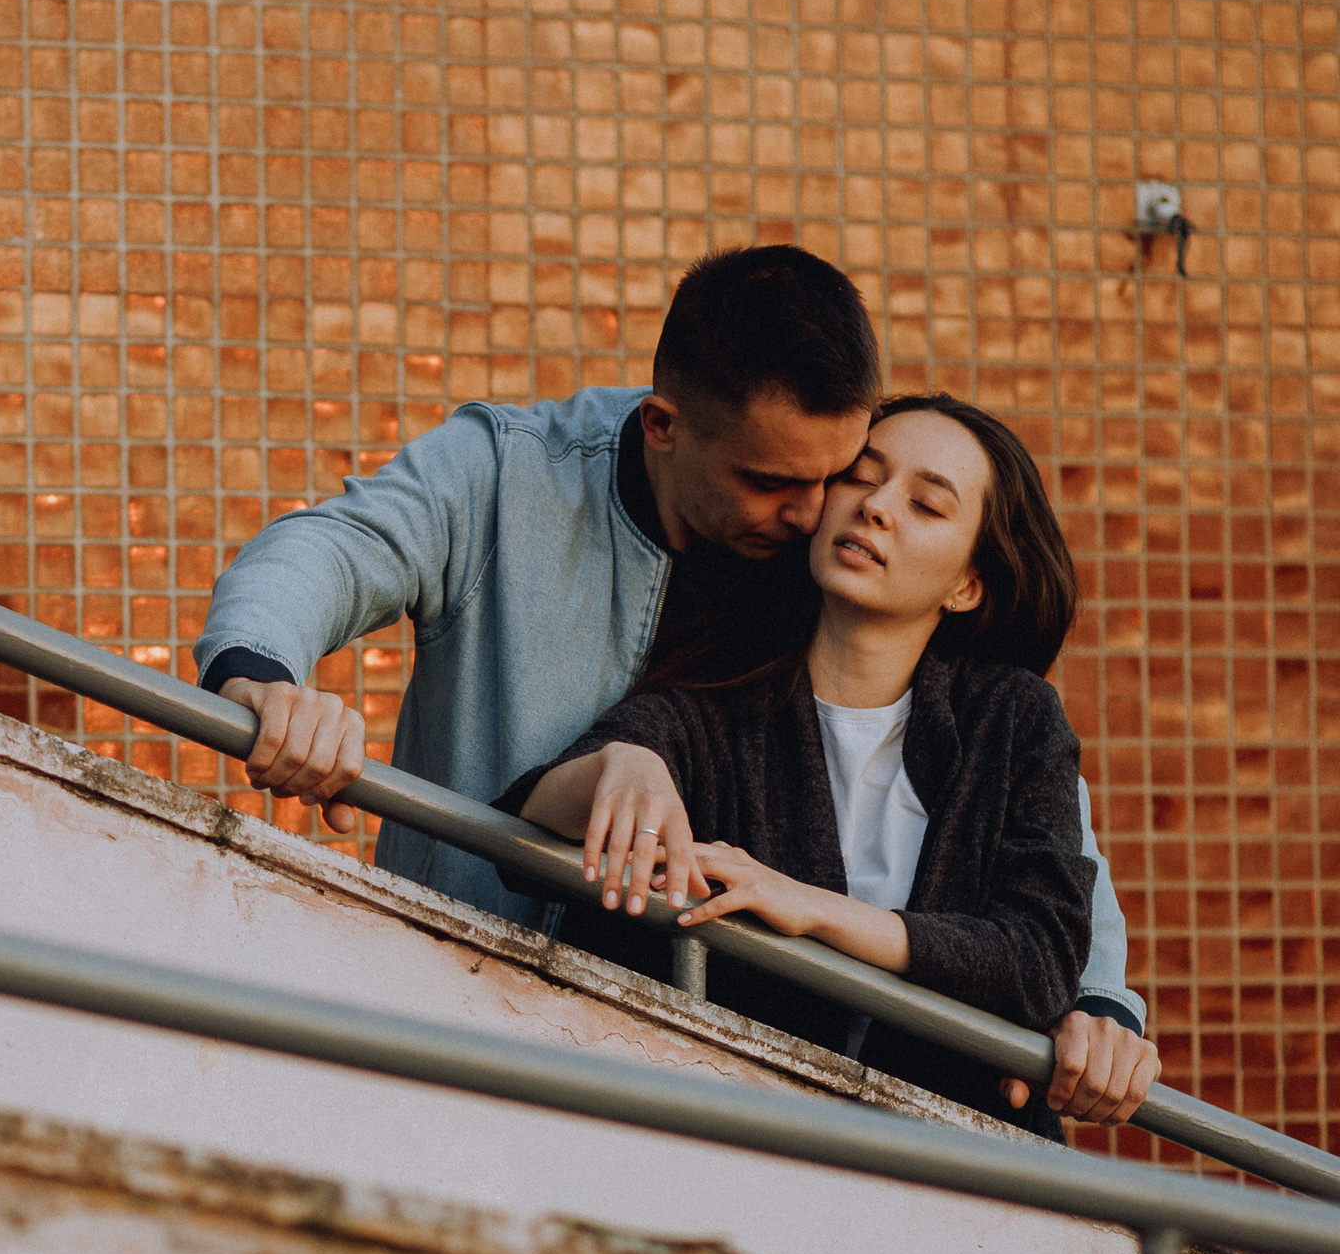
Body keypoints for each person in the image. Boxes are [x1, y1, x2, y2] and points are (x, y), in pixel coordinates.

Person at [193, 247, 1155, 1123]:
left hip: (701, 1082)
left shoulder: (832, 552)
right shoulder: (508, 473)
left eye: (840, 472)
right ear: (664, 427)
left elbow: (1042, 827)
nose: (825, 510)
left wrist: (1101, 999)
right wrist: (267, 678)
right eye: (778, 481)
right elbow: (335, 547)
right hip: (461, 999)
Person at [490, 396, 1161, 1133]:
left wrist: (814, 910)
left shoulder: (1013, 719)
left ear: (968, 584)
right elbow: (533, 818)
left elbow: (1037, 962)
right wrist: (621, 765)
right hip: (740, 1150)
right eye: (860, 478)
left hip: (962, 1182)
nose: (876, 507)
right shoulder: (720, 698)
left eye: (926, 505)